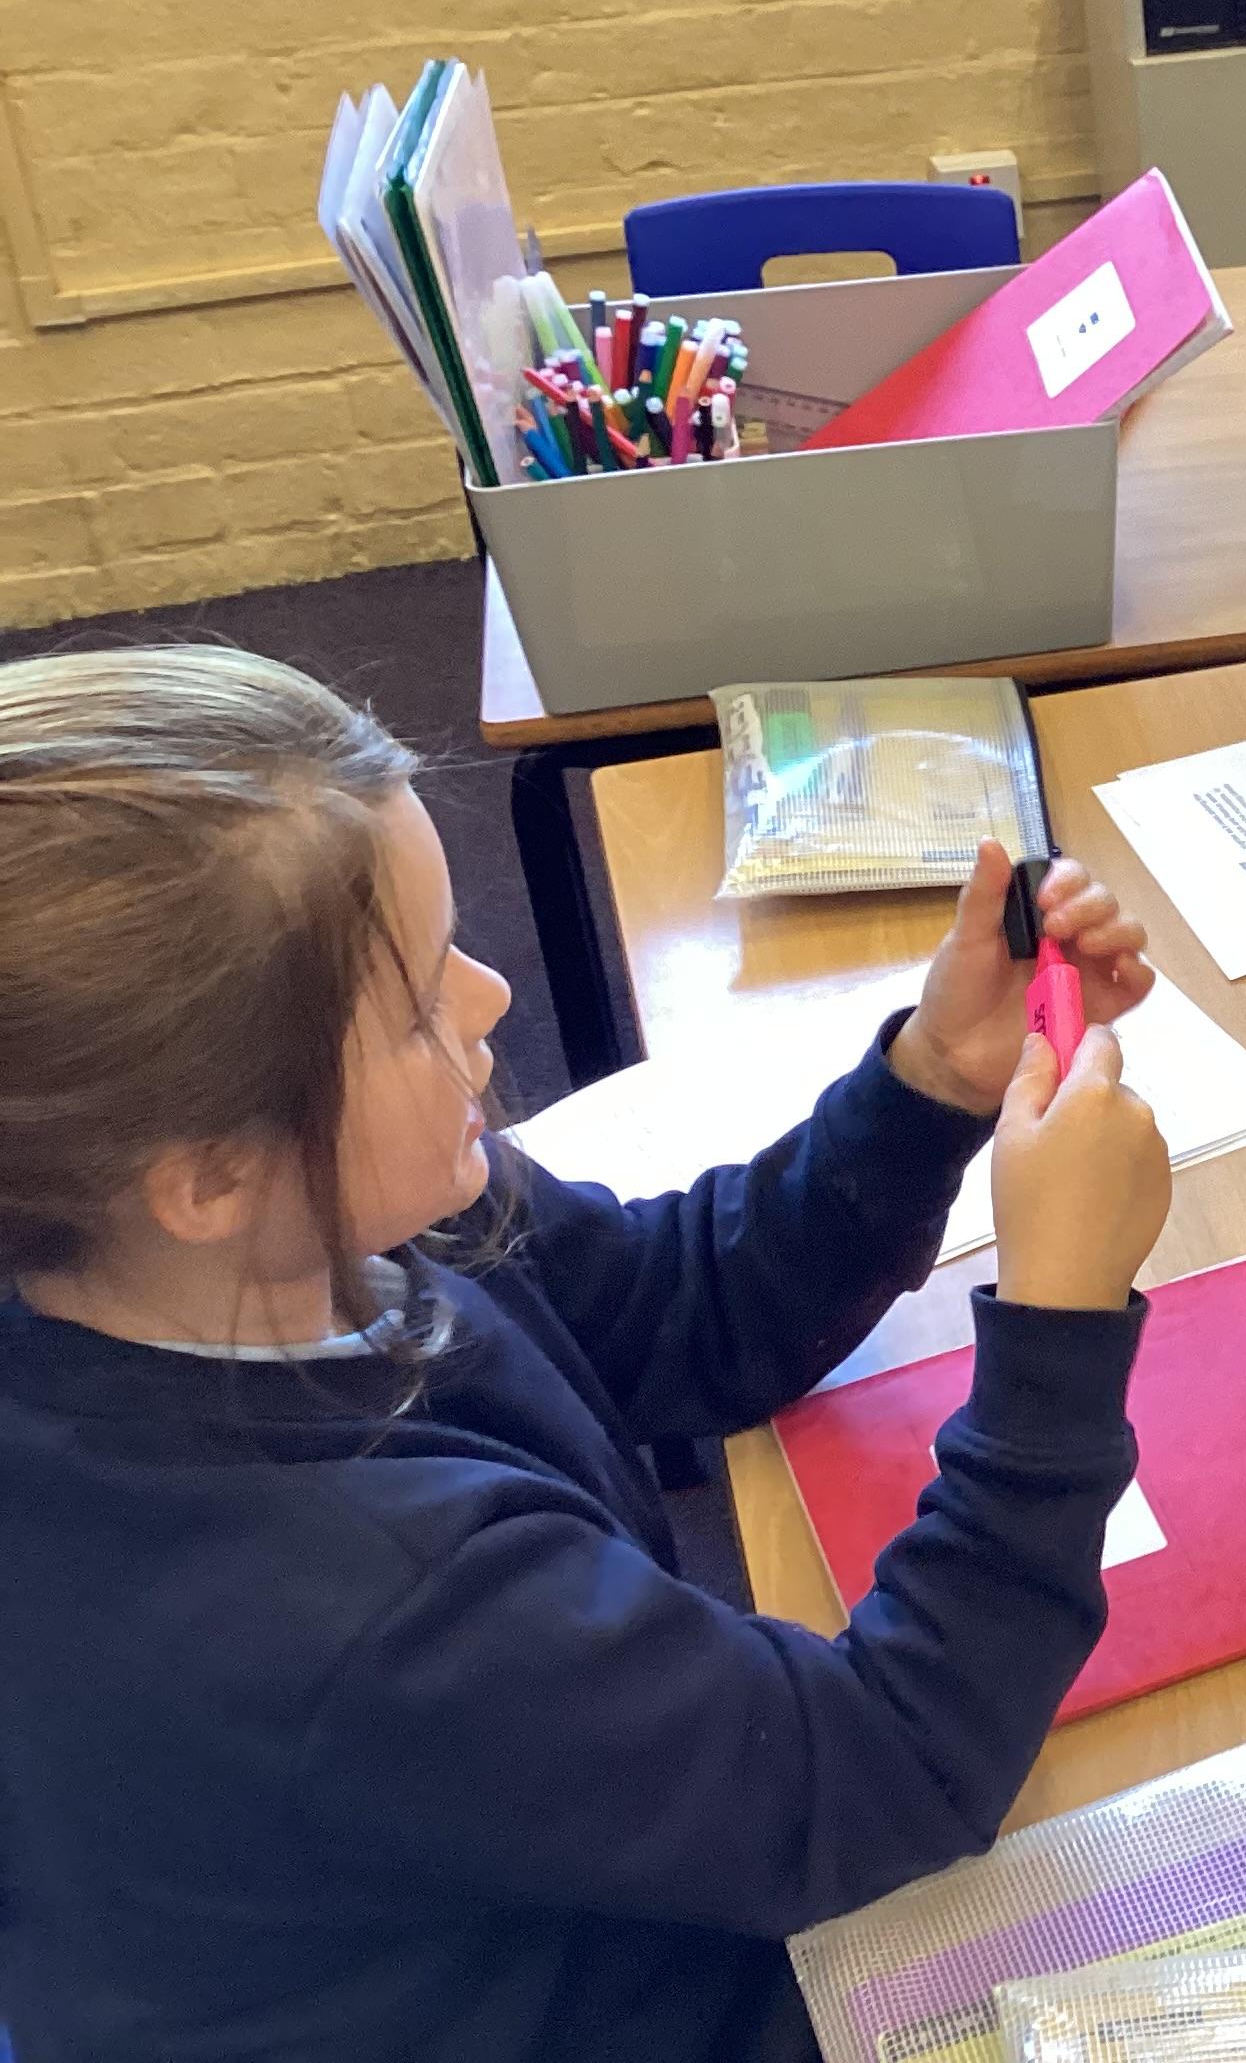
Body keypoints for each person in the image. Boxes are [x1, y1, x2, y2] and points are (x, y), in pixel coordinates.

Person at [0, 646, 1171, 2063]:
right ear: (207, 1175)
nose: (493, 997)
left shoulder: (326, 1213)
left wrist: (932, 1080)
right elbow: (878, 1776)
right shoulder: (367, 1611)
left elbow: (678, 1305)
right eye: (421, 1004)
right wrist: (1058, 1327)